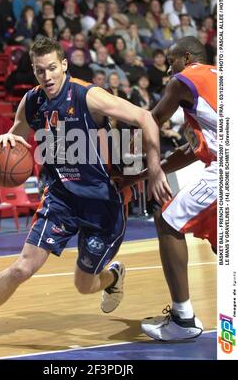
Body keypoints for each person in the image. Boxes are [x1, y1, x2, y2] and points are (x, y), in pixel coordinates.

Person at [0, 36, 171, 350]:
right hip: (61, 198)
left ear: (63, 65)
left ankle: (113, 277)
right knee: (22, 267)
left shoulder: (88, 95)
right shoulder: (33, 100)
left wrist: (155, 169)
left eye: (51, 68)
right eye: (39, 70)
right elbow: (18, 132)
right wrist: (6, 139)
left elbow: (146, 117)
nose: (46, 76)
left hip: (103, 203)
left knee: (84, 284)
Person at [114, 36, 217, 341]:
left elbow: (152, 119)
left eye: (171, 60)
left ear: (186, 58)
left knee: (167, 220)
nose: (168, 68)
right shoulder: (216, 79)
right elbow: (189, 151)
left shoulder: (184, 80)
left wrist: (133, 150)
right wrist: (141, 176)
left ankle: (183, 320)